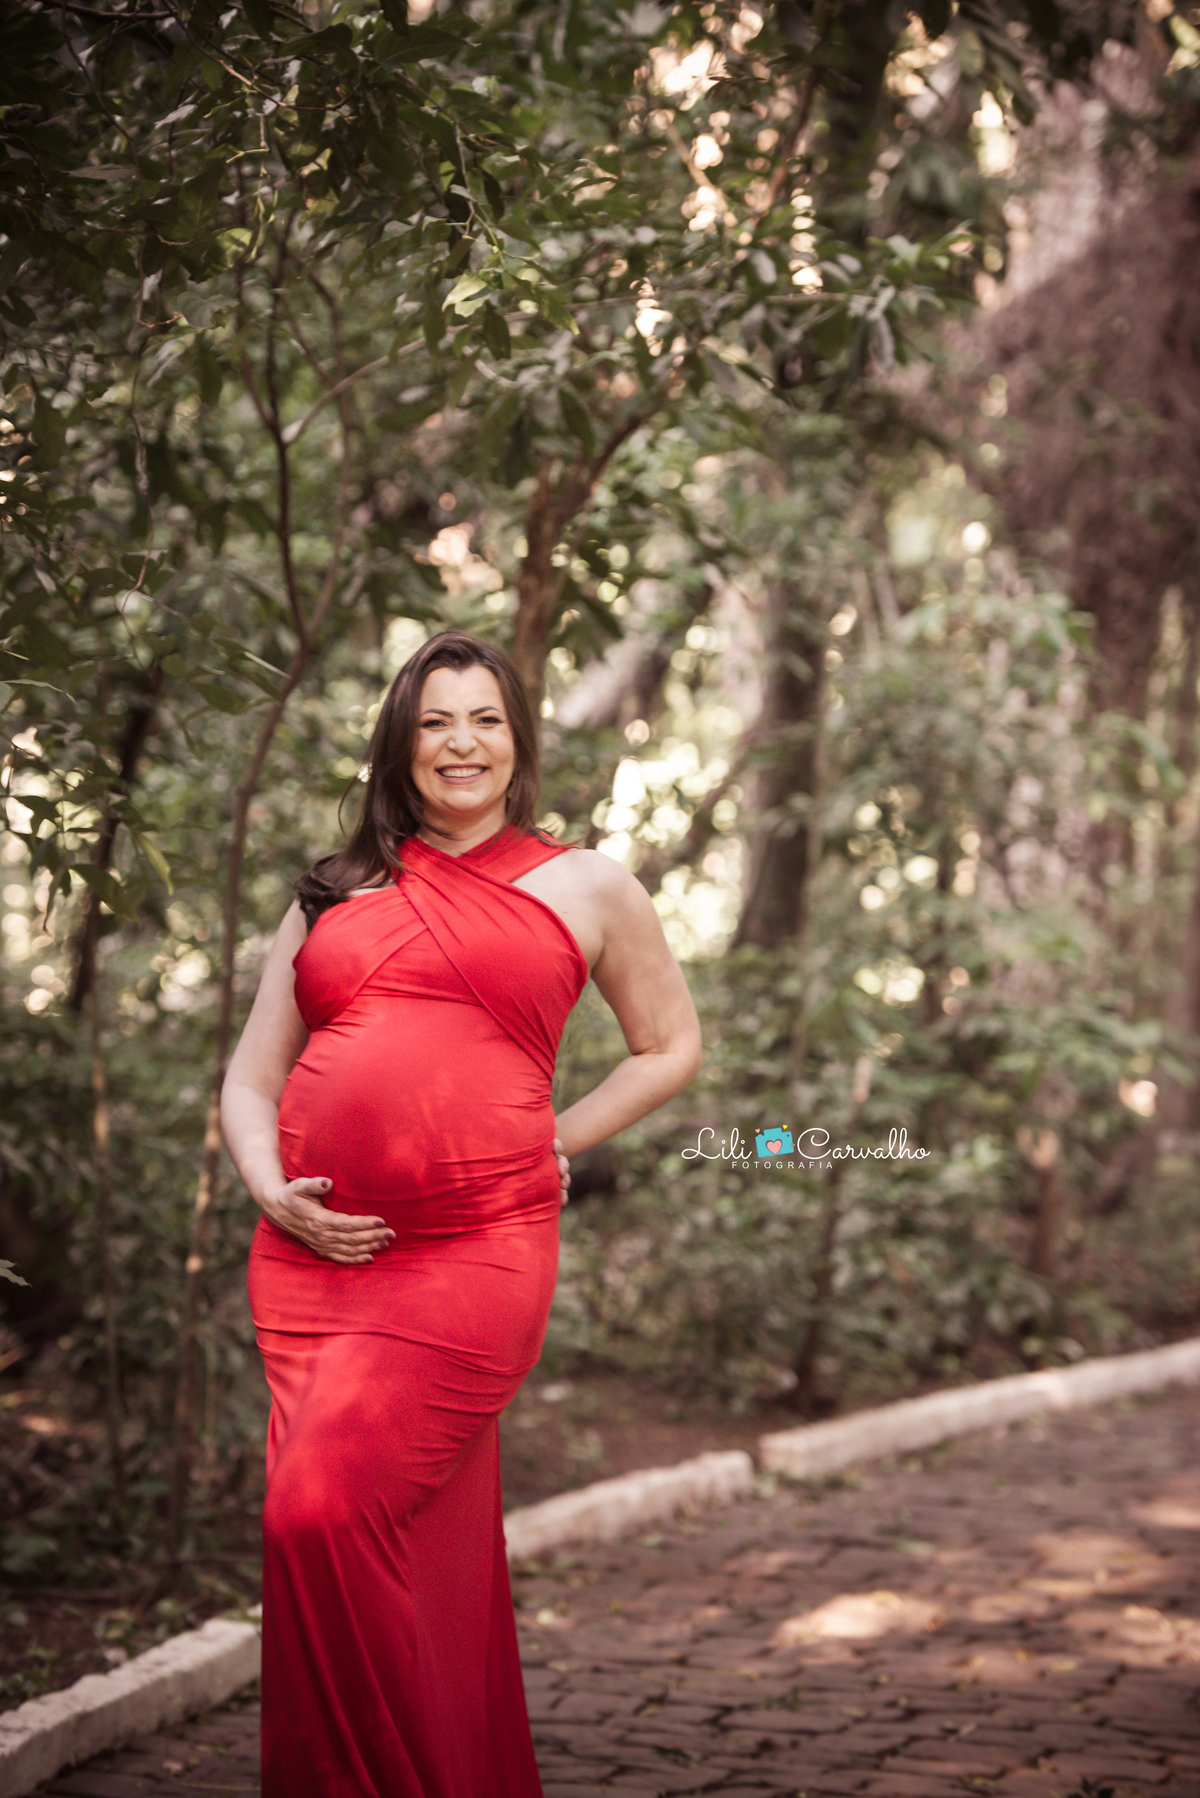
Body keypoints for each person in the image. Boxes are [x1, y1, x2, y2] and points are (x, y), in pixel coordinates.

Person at [220, 628, 702, 1798]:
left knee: (318, 1515)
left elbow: (670, 1045)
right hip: (310, 1264)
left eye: (484, 718)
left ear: (518, 739)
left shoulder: (584, 881)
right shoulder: (334, 891)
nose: (460, 742)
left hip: (477, 1254)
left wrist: (551, 1135)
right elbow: (247, 1080)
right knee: (378, 1541)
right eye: (435, 721)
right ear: (402, 742)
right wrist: (269, 1186)